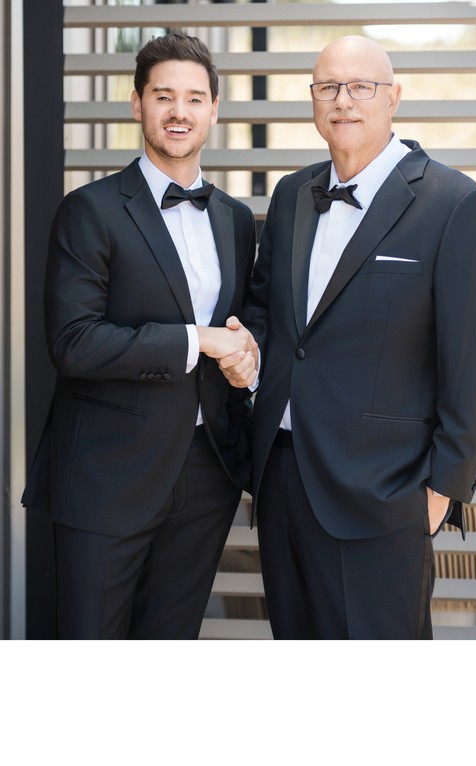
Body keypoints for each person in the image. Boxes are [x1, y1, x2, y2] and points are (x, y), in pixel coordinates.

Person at [237, 35, 476, 639]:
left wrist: (439, 493)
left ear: (393, 98)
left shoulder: (458, 206)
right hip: (282, 482)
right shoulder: (290, 196)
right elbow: (268, 314)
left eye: (361, 87)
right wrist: (245, 357)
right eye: (328, 87)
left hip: (384, 497)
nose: (343, 101)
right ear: (313, 100)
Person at [21, 33, 258, 638]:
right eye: (164, 96)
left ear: (213, 110)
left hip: (207, 474)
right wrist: (195, 341)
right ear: (137, 105)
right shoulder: (90, 210)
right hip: (107, 477)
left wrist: (245, 362)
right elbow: (73, 341)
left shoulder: (233, 219)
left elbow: (240, 330)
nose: (180, 111)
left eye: (195, 98)